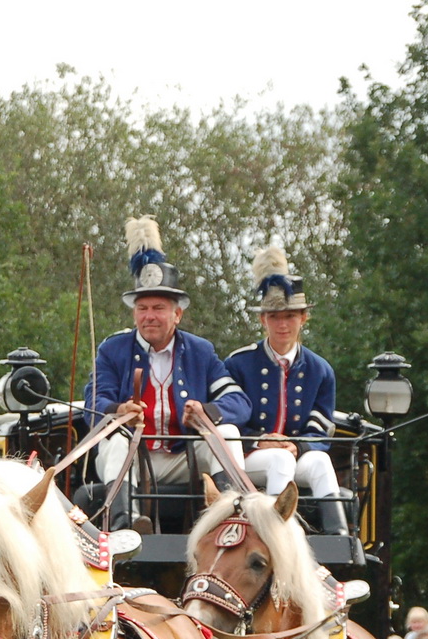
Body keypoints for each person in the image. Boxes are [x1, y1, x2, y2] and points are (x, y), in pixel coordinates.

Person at [84, 217, 249, 530]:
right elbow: (93, 402)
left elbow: (238, 401)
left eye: (158, 308)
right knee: (117, 440)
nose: (149, 317)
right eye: (142, 308)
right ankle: (124, 523)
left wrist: (207, 411)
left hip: (181, 458)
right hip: (131, 459)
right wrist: (119, 411)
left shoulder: (200, 351)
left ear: (177, 314)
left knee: (226, 433)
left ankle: (231, 519)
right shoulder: (112, 350)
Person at [224, 246, 346, 534]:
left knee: (319, 461)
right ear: (262, 320)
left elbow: (321, 427)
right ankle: (273, 534)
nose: (282, 324)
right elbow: (228, 420)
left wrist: (298, 445)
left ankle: (340, 535)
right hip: (250, 456)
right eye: (274, 316)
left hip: (295, 454)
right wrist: (261, 440)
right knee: (279, 459)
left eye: (290, 316)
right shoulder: (238, 363)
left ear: (304, 318)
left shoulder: (320, 369)